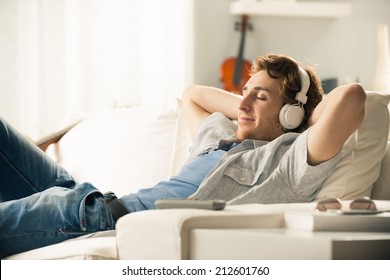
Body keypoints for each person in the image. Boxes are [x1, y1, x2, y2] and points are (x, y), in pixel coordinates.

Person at [0, 54, 366, 258]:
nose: (242, 102)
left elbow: (352, 98)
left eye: (261, 97)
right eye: (244, 91)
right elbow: (192, 94)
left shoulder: (285, 163)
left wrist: (300, 119)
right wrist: (252, 104)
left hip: (92, 217)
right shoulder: (220, 134)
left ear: (292, 115)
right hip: (83, 194)